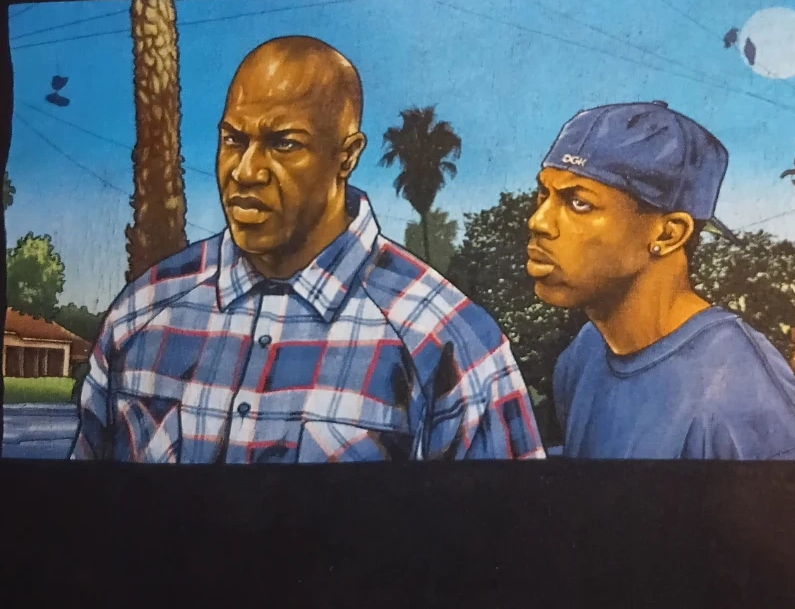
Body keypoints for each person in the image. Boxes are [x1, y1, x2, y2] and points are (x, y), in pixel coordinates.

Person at [72, 36, 543, 463]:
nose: (246, 171)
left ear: (347, 156)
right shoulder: (143, 311)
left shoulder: (446, 340)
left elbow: (503, 523)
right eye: (233, 139)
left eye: (283, 144)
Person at [527, 101, 795, 461]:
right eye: (544, 194)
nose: (539, 221)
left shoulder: (741, 399)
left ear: (669, 234)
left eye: (579, 203)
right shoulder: (584, 353)